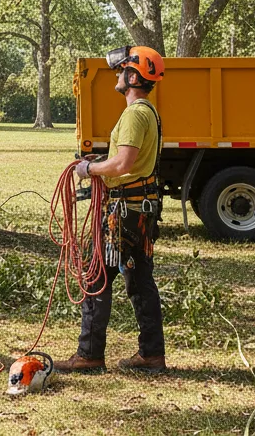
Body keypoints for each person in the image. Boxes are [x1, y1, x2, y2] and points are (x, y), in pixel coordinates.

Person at [58, 45, 167, 375]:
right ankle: (151, 355)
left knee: (97, 276)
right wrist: (98, 163)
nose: (117, 76)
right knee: (139, 281)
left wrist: (87, 171)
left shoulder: (135, 113)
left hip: (124, 214)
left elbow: (123, 164)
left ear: (133, 77)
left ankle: (89, 355)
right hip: (136, 211)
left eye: (121, 70)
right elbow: (125, 163)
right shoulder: (147, 112)